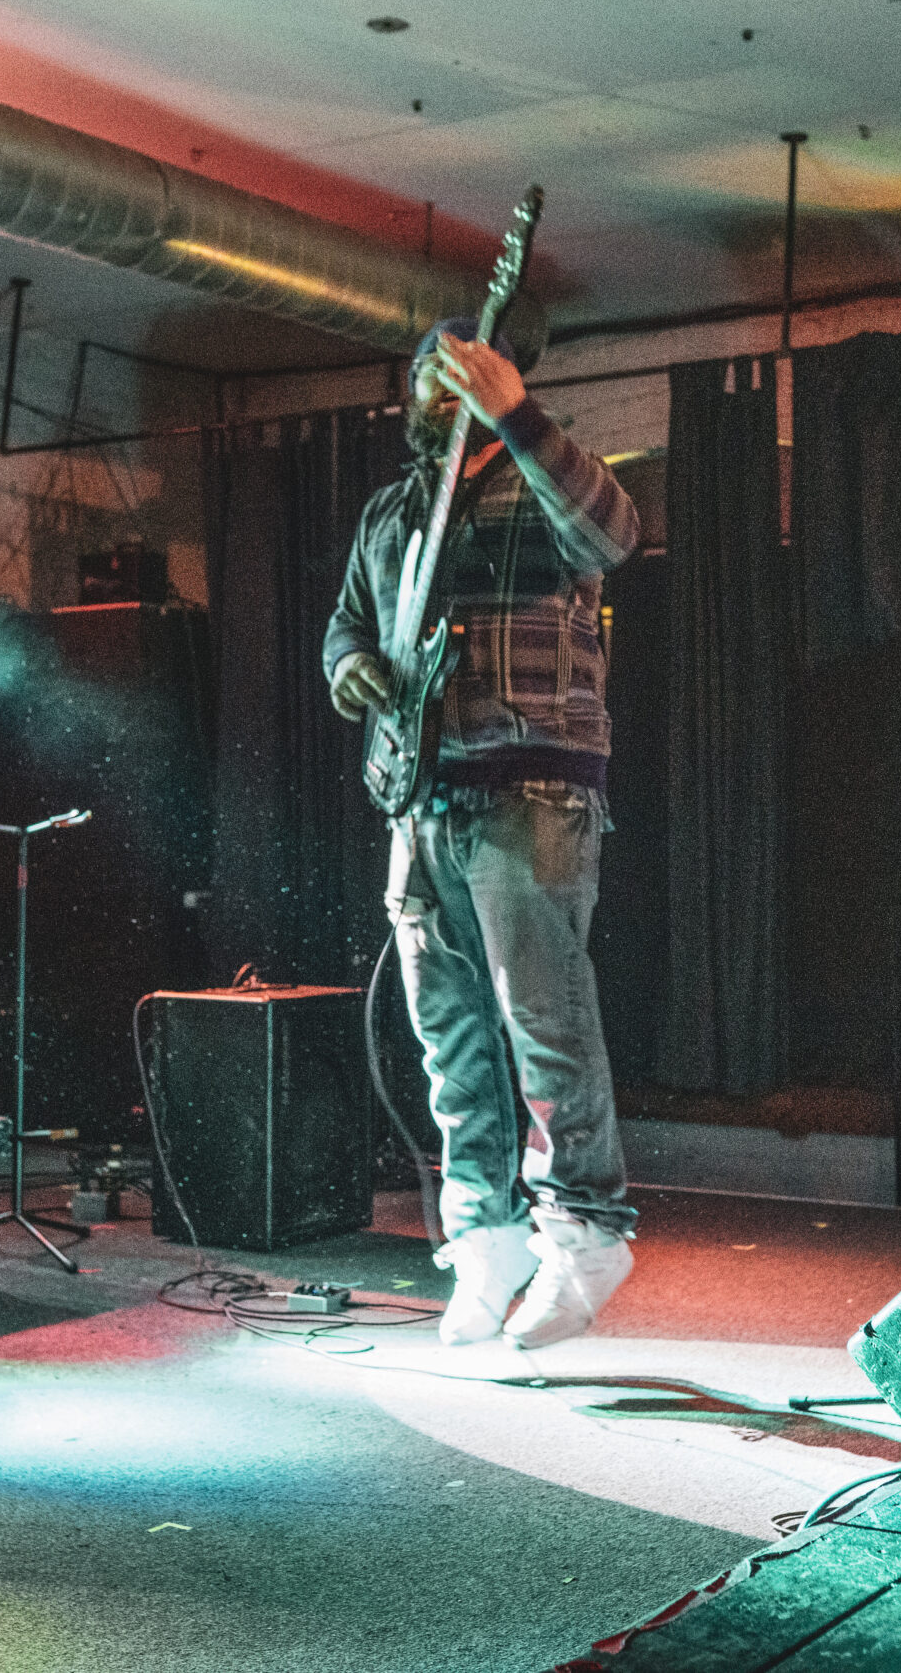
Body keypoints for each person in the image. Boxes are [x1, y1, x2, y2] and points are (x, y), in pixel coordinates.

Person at [322, 319, 641, 1349]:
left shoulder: (541, 479)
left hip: (531, 788)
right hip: (419, 797)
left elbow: (613, 534)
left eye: (461, 378)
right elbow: (346, 626)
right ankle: (485, 1234)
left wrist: (518, 414)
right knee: (449, 1039)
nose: (437, 391)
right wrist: (348, 671)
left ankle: (584, 1232)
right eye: (427, 376)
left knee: (543, 1025)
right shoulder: (389, 512)